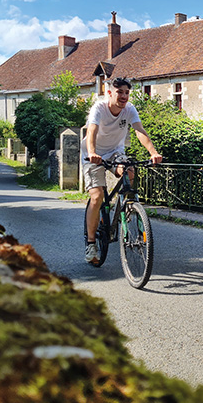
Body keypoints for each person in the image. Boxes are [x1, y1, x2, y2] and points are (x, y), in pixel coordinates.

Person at [81, 76, 162, 265]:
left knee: (130, 171)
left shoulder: (130, 109)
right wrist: (92, 153)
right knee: (96, 196)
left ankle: (126, 207)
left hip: (115, 152)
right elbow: (91, 131)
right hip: (93, 153)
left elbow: (139, 130)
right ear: (109, 93)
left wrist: (153, 152)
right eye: (120, 92)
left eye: (127, 92)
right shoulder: (99, 108)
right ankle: (91, 244)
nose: (124, 96)